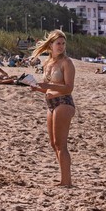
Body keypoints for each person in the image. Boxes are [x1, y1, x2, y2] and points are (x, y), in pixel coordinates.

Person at [26, 29, 76, 187]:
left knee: (61, 144)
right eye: (58, 43)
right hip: (50, 104)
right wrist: (37, 88)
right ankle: (63, 178)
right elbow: (48, 88)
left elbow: (68, 88)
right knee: (54, 144)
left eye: (63, 43)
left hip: (63, 102)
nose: (61, 46)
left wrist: (47, 85)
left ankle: (67, 181)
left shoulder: (67, 62)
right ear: (51, 45)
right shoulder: (47, 63)